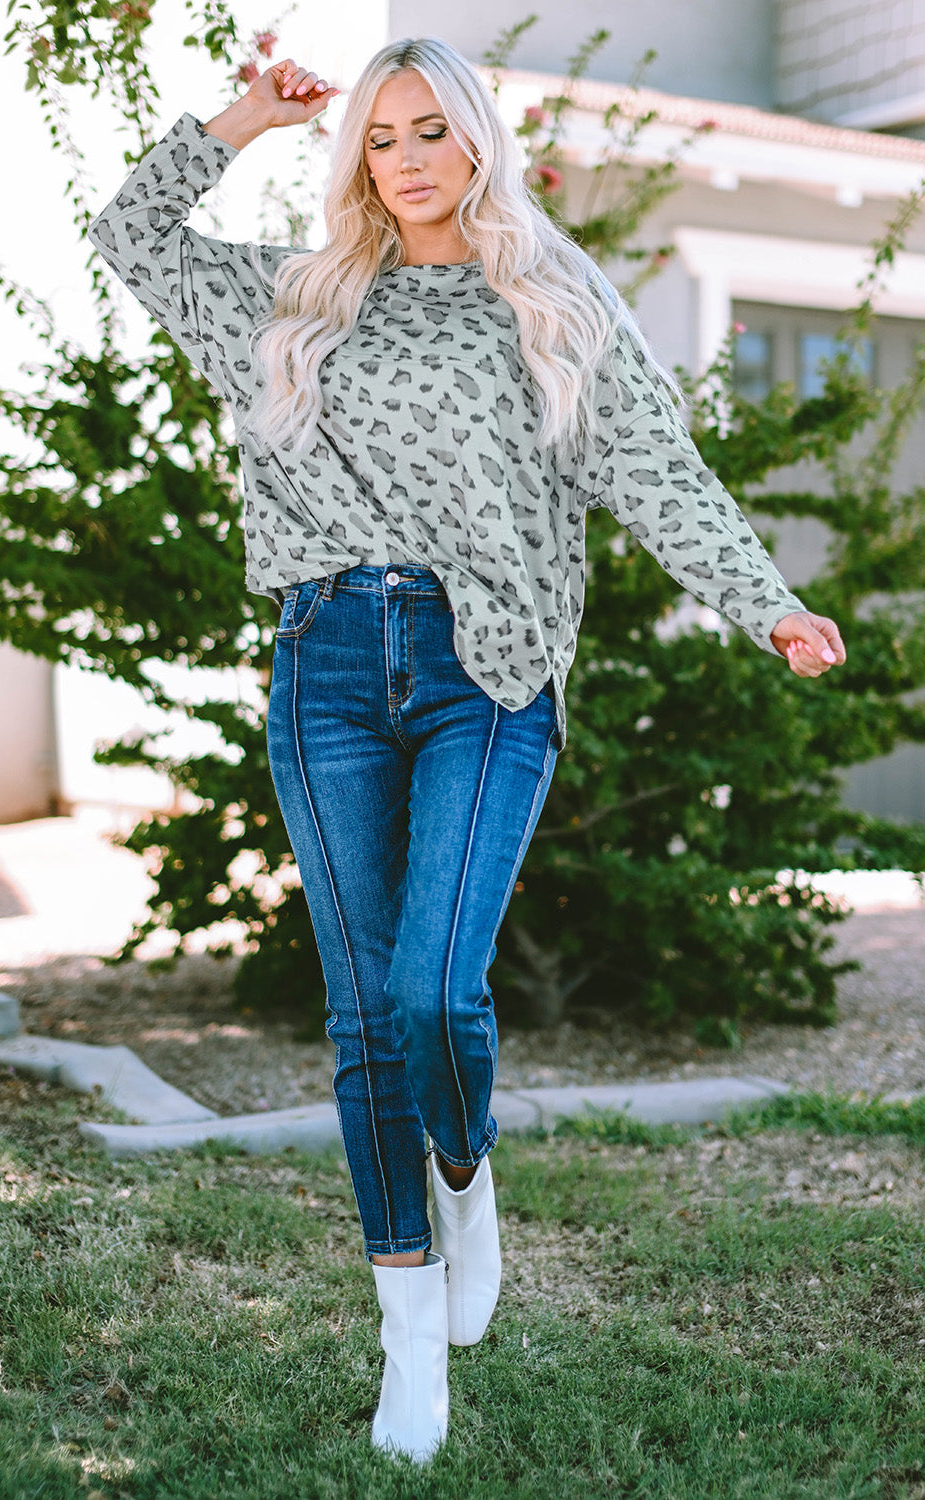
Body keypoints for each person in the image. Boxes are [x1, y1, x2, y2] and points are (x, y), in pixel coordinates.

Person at [87, 34, 846, 1465]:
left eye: (432, 129)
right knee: (366, 1017)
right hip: (324, 664)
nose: (409, 160)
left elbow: (655, 469)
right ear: (357, 161)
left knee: (433, 988)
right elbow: (128, 234)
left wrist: (766, 604)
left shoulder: (547, 300)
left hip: (484, 670)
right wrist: (246, 115)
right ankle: (408, 1330)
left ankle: (463, 1169)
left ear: (478, 138)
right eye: (381, 139)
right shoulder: (299, 297)